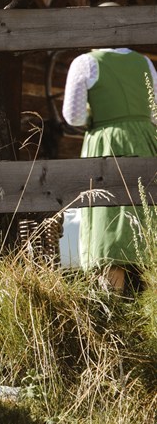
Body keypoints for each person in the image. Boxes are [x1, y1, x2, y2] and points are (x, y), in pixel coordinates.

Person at [62, 46, 157, 292]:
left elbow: (72, 115)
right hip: (146, 140)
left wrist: (95, 117)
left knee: (107, 216)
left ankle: (110, 299)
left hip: (107, 142)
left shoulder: (86, 62)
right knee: (148, 211)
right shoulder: (144, 62)